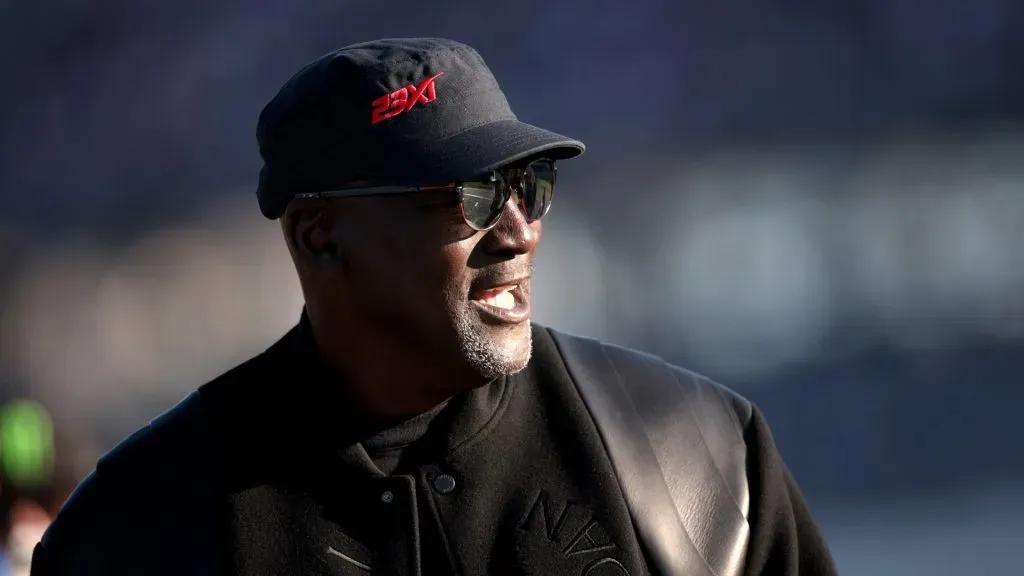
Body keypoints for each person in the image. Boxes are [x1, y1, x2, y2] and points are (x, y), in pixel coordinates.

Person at [31, 38, 837, 576]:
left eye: (530, 186)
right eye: (472, 195)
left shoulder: (696, 456)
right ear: (320, 238)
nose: (520, 229)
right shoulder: (139, 528)